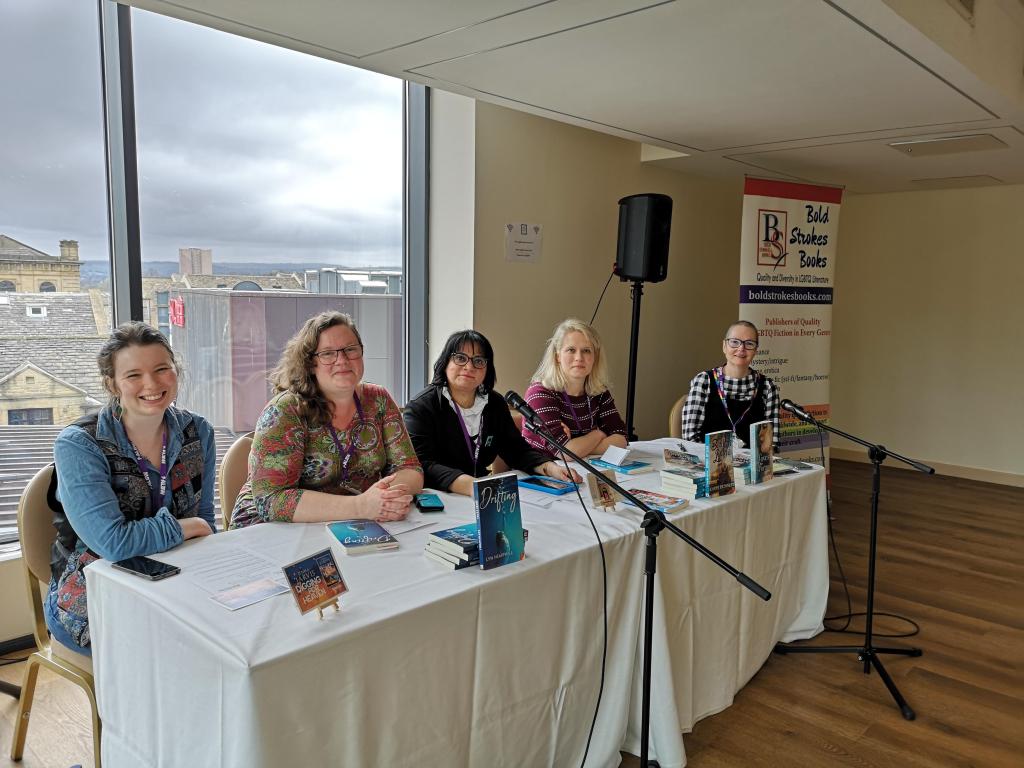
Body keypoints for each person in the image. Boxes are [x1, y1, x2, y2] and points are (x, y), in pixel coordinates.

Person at [46, 322, 216, 655]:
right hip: (93, 593)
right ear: (112, 383)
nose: (151, 384)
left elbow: (205, 520)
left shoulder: (199, 431)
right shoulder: (80, 444)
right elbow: (113, 543)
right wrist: (187, 527)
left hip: (178, 579)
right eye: (133, 375)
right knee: (177, 655)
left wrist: (198, 533)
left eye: (161, 369)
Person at [230, 311, 422, 528]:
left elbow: (411, 470)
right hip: (272, 528)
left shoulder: (378, 400)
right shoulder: (285, 410)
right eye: (328, 353)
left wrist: (380, 499)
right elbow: (272, 501)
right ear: (310, 363)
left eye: (350, 350)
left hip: (354, 521)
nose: (342, 360)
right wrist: (361, 505)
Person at [404, 330, 579, 495]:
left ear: (487, 369)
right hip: (439, 498)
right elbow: (423, 464)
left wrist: (550, 468)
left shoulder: (494, 403)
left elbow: (516, 450)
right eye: (460, 358)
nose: (469, 366)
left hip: (483, 492)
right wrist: (471, 486)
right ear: (445, 363)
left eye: (478, 361)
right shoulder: (421, 408)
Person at [522, 318, 628, 459]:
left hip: (583, 469)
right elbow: (565, 453)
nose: (579, 357)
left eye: (586, 351)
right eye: (571, 350)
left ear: (595, 357)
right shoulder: (540, 394)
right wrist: (599, 434)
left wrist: (578, 447)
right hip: (541, 473)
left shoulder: (599, 392)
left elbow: (621, 438)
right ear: (558, 356)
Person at [681, 320, 781, 450]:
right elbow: (690, 440)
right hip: (710, 465)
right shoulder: (704, 381)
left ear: (756, 350)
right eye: (734, 342)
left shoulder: (768, 387)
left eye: (749, 344)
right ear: (724, 346)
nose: (741, 348)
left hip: (752, 467)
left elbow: (772, 444)